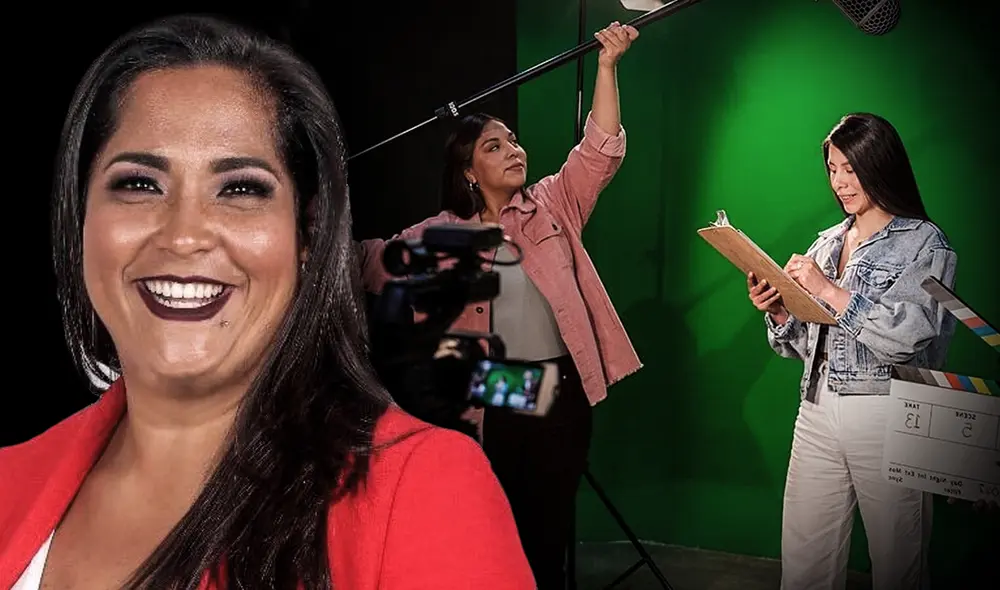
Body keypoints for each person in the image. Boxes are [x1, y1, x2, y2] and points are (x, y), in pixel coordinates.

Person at [0, 14, 534, 590]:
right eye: (139, 183)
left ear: (306, 238)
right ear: (82, 219)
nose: (183, 236)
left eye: (240, 189)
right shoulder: (10, 479)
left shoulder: (425, 490)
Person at [357, 20, 642, 590]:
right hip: (498, 387)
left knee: (548, 529)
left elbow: (599, 152)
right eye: (494, 146)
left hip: (561, 387)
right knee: (498, 524)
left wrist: (607, 66)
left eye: (513, 139)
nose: (513, 150)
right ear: (468, 170)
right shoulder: (439, 235)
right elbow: (363, 260)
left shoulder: (552, 203)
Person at [746, 112, 958, 590]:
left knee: (898, 564)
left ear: (879, 165)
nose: (840, 182)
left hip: (890, 413)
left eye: (850, 168)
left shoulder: (925, 243)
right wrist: (779, 313)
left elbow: (915, 335)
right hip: (817, 409)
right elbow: (805, 345)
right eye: (833, 168)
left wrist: (832, 292)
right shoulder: (827, 242)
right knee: (804, 561)